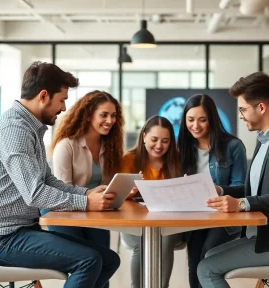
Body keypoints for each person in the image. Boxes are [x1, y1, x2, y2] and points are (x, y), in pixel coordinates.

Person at [0, 62, 120, 288]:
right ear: (43, 96)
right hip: (3, 239)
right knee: (89, 261)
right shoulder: (14, 130)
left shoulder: (30, 128)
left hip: (23, 231)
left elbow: (48, 181)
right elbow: (35, 194)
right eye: (62, 100)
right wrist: (86, 202)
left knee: (109, 260)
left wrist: (87, 192)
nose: (64, 108)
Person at [197, 72, 269, 288]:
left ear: (261, 107)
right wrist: (221, 190)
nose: (240, 115)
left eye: (243, 109)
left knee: (206, 269)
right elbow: (257, 190)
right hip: (262, 237)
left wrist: (241, 204)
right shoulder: (266, 137)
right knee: (210, 255)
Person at [41, 91, 124, 265]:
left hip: (94, 213)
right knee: (86, 263)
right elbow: (63, 190)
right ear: (88, 115)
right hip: (64, 211)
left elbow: (107, 185)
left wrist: (122, 192)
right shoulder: (66, 145)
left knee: (105, 263)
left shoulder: (110, 146)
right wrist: (89, 196)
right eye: (104, 115)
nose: (110, 120)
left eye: (113, 115)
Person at [177, 94, 247, 288]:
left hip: (223, 218)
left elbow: (243, 188)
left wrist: (219, 189)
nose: (196, 126)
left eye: (202, 120)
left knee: (207, 256)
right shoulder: (183, 148)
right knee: (194, 265)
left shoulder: (233, 146)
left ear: (212, 120)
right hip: (194, 216)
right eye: (190, 120)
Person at [121, 115, 182, 288]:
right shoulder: (129, 159)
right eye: (154, 139)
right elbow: (118, 195)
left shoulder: (176, 160)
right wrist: (129, 193)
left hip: (168, 220)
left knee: (166, 237)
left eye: (165, 141)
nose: (159, 146)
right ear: (144, 136)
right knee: (141, 242)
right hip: (134, 220)